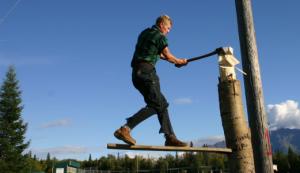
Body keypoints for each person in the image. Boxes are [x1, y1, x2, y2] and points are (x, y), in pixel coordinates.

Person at [114, 15, 188, 147]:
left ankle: (170, 137)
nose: (168, 31)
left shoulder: (145, 33)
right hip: (148, 73)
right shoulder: (160, 37)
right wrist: (179, 62)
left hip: (136, 74)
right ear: (161, 24)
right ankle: (125, 129)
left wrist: (172, 60)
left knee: (162, 103)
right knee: (156, 104)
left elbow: (158, 54)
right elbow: (167, 54)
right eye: (168, 28)